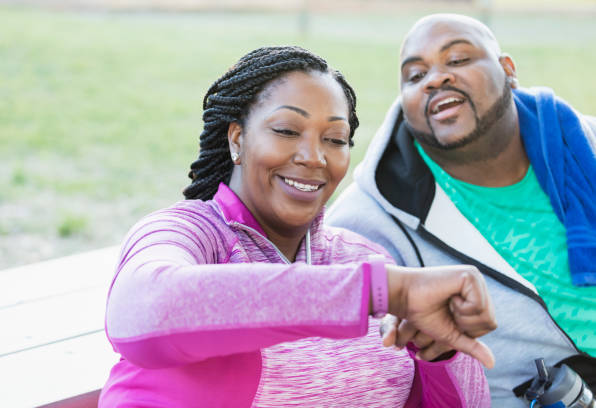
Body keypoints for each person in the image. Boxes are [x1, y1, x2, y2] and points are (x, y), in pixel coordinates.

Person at [98, 46, 497, 407]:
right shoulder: (190, 233)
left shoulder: (363, 257)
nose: (314, 157)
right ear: (237, 139)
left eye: (335, 139)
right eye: (287, 131)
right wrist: (381, 290)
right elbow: (145, 311)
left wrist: (441, 352)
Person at [327, 13, 596, 407]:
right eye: (415, 75)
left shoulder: (582, 143)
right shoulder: (369, 219)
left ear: (508, 70)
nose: (435, 79)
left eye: (457, 60)